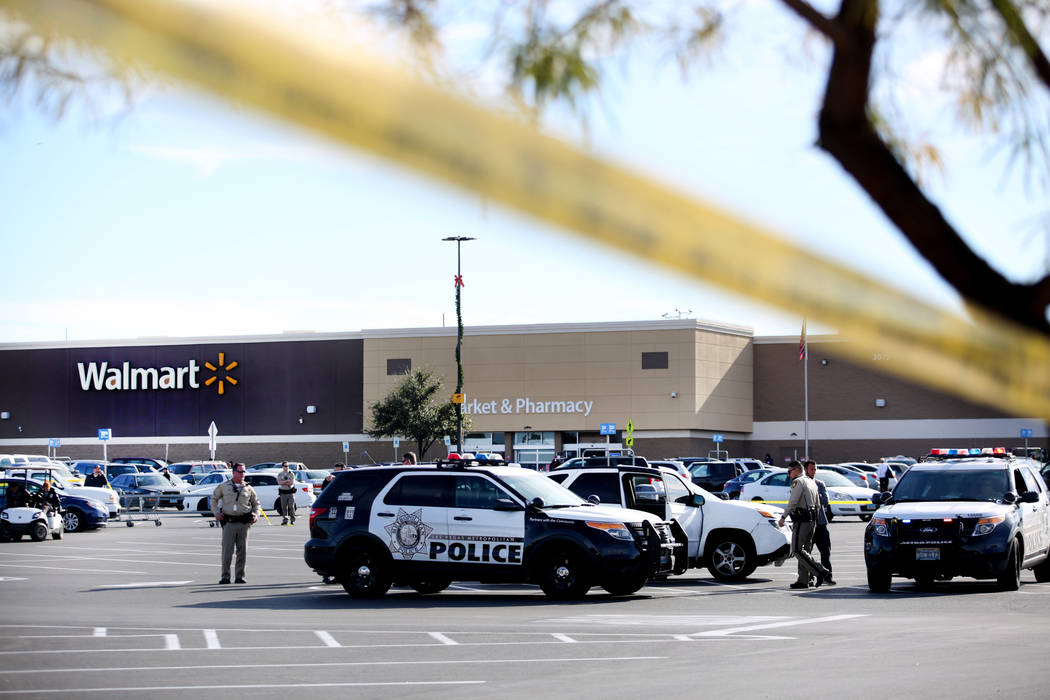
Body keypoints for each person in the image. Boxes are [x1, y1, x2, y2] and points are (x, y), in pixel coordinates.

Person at [777, 460, 833, 589]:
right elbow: (818, 504)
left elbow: (793, 502)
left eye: (789, 471)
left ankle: (820, 571)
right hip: (812, 520)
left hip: (802, 520)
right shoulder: (811, 482)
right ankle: (803, 580)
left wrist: (783, 517)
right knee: (805, 551)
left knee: (797, 550)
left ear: (797, 470)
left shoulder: (799, 481)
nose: (788, 474)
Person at [211, 463, 261, 584]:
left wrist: (256, 514)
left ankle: (240, 576)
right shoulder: (224, 486)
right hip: (229, 522)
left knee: (242, 551)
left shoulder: (248, 488)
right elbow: (213, 499)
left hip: (244, 523)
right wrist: (216, 512)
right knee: (227, 551)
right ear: (233, 472)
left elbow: (256, 503)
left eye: (244, 472)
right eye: (240, 472)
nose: (242, 474)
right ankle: (225, 576)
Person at [804, 459, 835, 585]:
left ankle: (828, 576)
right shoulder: (801, 483)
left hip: (821, 524)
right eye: (811, 469)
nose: (814, 471)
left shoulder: (820, 484)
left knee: (825, 552)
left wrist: (813, 494)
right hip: (808, 524)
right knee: (806, 554)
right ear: (805, 470)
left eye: (815, 469)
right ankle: (809, 577)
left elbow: (825, 501)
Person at [276, 461, 297, 526]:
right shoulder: (280, 474)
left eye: (287, 466)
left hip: (290, 492)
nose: (287, 467)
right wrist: (286, 481)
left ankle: (292, 520)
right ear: (282, 467)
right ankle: (285, 520)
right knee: (284, 507)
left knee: (291, 506)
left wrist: (284, 482)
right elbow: (279, 483)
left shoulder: (291, 474)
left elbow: (291, 482)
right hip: (283, 492)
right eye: (285, 466)